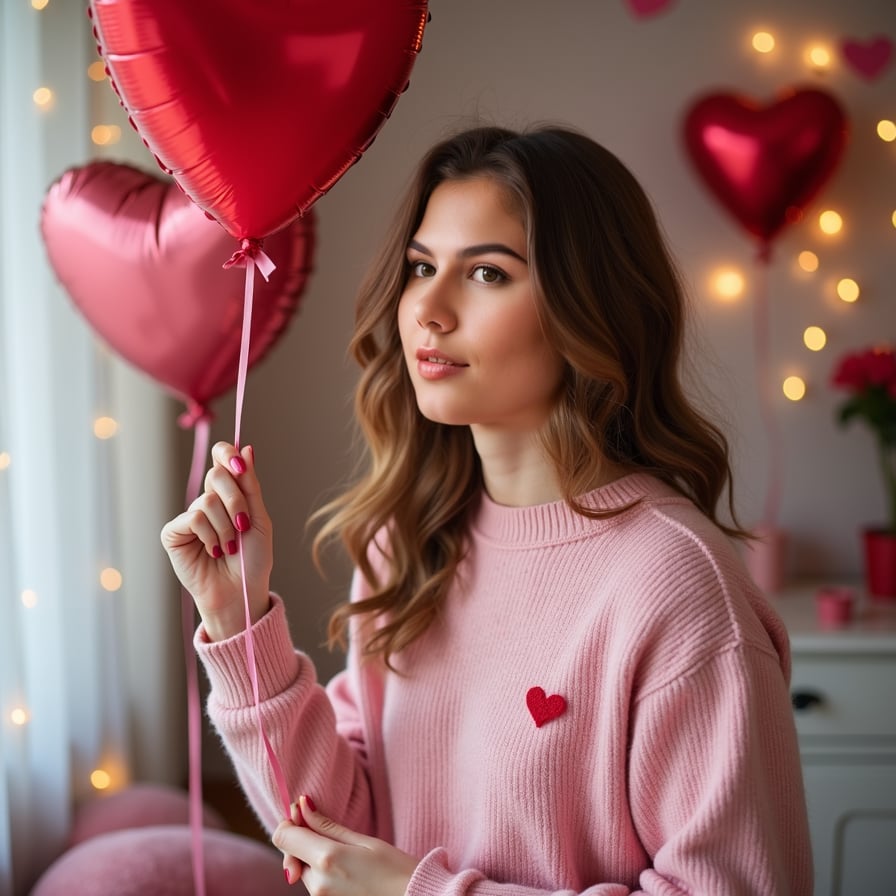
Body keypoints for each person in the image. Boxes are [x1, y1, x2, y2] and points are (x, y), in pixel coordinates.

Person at [161, 124, 813, 895]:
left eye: (488, 274)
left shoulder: (676, 584)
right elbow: (335, 836)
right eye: (421, 267)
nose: (429, 310)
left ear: (589, 305)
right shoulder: (405, 543)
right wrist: (236, 619)